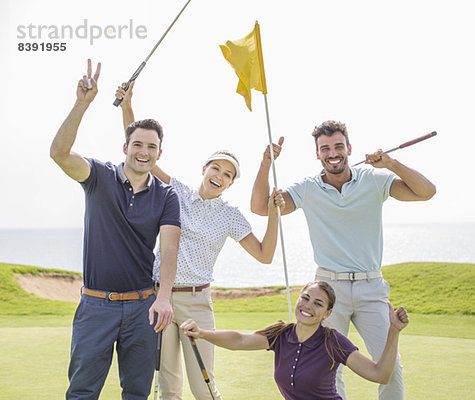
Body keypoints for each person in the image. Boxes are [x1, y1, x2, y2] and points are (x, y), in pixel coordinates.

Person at [115, 82, 285, 400]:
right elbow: (143, 154)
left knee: (203, 386)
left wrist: (274, 214)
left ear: (231, 183)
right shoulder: (176, 191)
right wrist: (127, 106)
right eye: (216, 168)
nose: (219, 176)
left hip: (198, 303)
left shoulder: (230, 216)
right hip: (161, 299)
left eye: (228, 174)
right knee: (168, 386)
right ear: (204, 169)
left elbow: (264, 254)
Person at [250, 120, 436, 399]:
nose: (332, 153)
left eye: (338, 146)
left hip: (371, 287)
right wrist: (266, 163)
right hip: (327, 290)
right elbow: (260, 208)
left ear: (349, 148)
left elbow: (427, 192)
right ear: (317, 154)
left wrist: (391, 164)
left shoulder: (373, 180)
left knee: (391, 368)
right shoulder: (307, 188)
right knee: (328, 370)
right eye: (325, 148)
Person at [50, 60, 181, 400]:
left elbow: (169, 250)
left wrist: (163, 297)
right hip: (96, 306)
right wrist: (82, 103)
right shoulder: (98, 176)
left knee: (137, 393)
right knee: (82, 392)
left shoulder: (167, 196)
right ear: (126, 148)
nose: (144, 152)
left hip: (142, 308)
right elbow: (59, 153)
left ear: (159, 153)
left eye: (152, 147)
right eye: (138, 144)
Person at [181, 281, 409, 399]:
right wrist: (202, 333)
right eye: (305, 298)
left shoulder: (333, 342)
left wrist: (394, 331)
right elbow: (240, 340)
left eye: (318, 304)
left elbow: (381, 374)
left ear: (327, 314)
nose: (308, 306)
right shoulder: (281, 334)